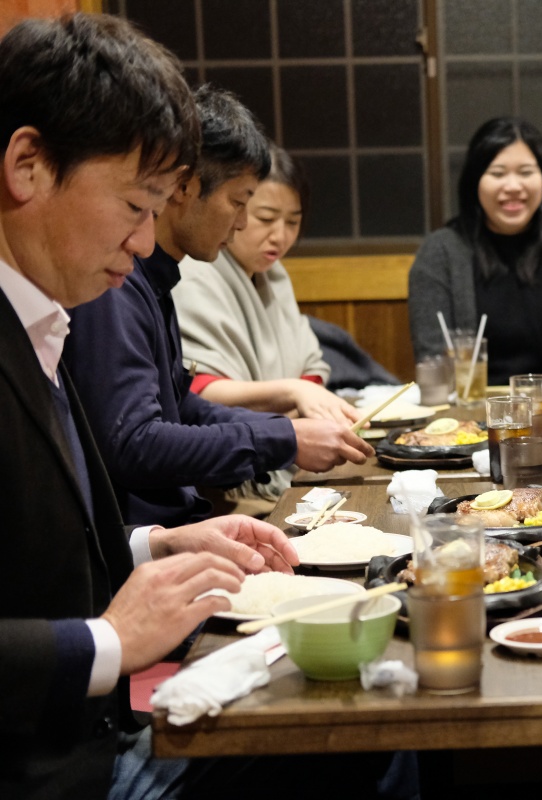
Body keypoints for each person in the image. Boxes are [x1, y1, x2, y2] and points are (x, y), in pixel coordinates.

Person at [0, 14, 301, 796]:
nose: (143, 242)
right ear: (28, 165)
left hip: (96, 737)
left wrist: (158, 548)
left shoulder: (43, 317)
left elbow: (36, 554)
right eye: (136, 205)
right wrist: (109, 640)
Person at [65, 86, 373, 528]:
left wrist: (285, 434)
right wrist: (280, 438)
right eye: (239, 202)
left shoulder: (158, 278)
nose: (244, 222)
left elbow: (182, 404)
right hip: (148, 541)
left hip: (181, 523)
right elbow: (133, 443)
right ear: (185, 187)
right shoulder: (118, 281)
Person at [172, 143, 361, 510]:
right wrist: (291, 396)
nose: (281, 235)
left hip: (287, 456)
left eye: (292, 221)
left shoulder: (273, 275)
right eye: (265, 217)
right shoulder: (193, 275)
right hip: (231, 487)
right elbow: (197, 393)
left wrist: (301, 399)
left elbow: (311, 365)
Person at [408, 116, 542, 382]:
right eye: (497, 173)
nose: (514, 187)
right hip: (468, 414)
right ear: (474, 181)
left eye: (526, 172)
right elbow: (434, 358)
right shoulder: (440, 253)